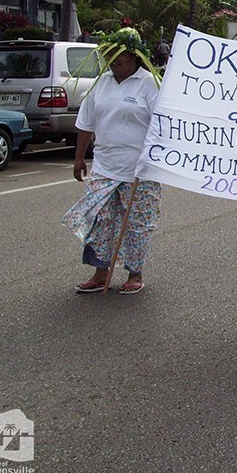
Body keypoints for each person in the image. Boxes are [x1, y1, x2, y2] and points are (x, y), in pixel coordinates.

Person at [61, 28, 162, 295]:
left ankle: (134, 273)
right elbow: (86, 123)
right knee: (100, 220)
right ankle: (99, 273)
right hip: (105, 167)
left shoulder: (149, 83)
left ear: (134, 56)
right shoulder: (101, 83)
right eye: (108, 55)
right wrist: (79, 157)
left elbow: (163, 126)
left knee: (137, 224)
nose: (113, 60)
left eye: (119, 55)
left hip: (140, 171)